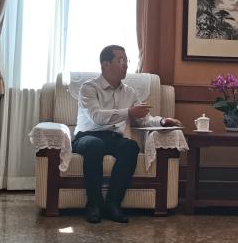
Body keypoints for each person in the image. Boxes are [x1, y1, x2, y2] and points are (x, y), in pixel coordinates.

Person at [73, 45, 179, 225]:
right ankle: (94, 204)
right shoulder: (89, 88)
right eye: (120, 60)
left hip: (113, 137)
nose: (125, 65)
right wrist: (129, 112)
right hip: (87, 136)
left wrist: (162, 122)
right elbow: (96, 117)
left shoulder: (129, 92)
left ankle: (113, 204)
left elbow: (143, 119)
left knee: (130, 147)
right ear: (105, 64)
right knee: (95, 145)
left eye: (126, 60)